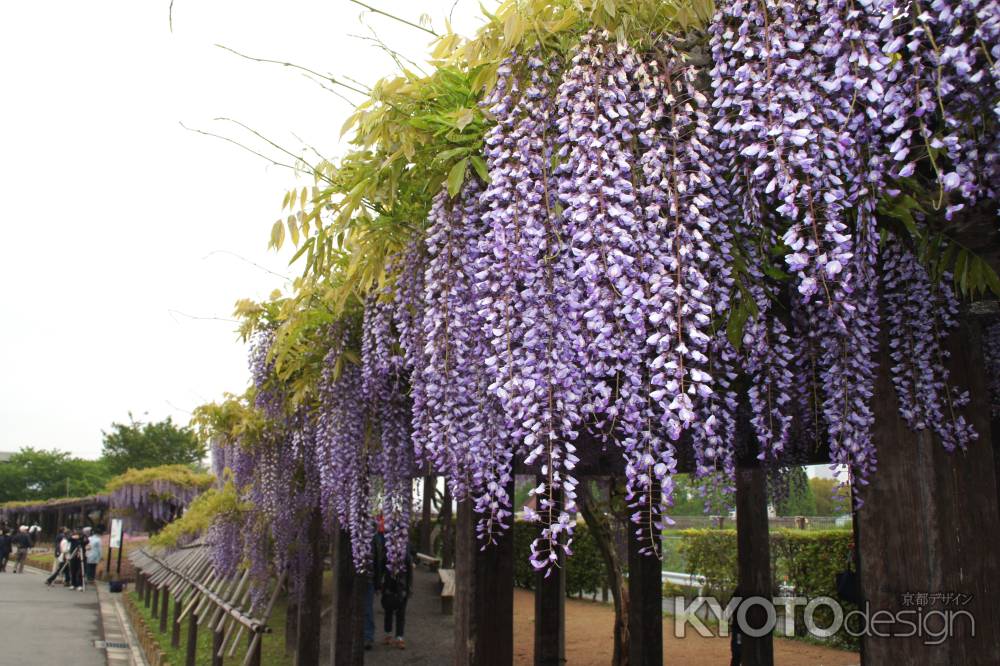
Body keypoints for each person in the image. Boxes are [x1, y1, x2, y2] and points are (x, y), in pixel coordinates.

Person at [379, 544, 413, 650]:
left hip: (401, 587)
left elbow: (409, 571)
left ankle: (399, 637)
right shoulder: (387, 550)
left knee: (401, 613)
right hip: (389, 587)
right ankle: (388, 634)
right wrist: (380, 585)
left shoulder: (405, 552)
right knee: (388, 611)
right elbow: (381, 567)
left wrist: (409, 588)